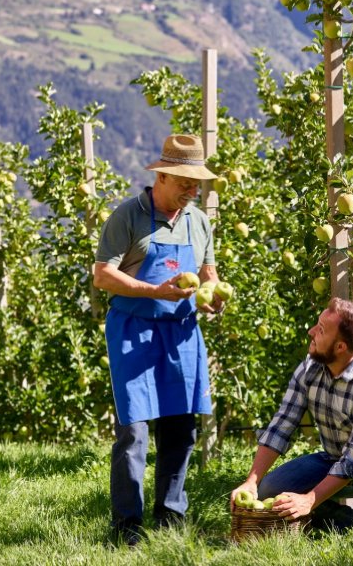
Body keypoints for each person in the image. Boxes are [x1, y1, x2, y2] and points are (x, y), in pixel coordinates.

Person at [93, 133, 225, 546]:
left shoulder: (199, 222)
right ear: (162, 176)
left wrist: (214, 298)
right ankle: (127, 529)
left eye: (196, 185)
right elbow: (102, 275)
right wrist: (156, 291)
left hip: (182, 335)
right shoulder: (128, 216)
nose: (191, 191)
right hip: (135, 332)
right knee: (133, 432)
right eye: (185, 183)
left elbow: (208, 276)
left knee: (181, 428)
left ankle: (170, 519)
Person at [230, 297, 353, 538]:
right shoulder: (310, 368)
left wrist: (310, 499)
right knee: (270, 491)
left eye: (320, 330)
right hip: (337, 457)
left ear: (340, 347)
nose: (311, 332)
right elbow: (281, 426)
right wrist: (251, 482)